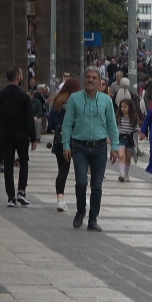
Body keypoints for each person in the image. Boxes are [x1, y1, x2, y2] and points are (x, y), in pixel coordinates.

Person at [61, 66, 119, 232]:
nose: (91, 80)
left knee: (97, 185)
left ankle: (93, 219)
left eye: (94, 78)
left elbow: (112, 125)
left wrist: (114, 146)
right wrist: (66, 145)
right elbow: (67, 123)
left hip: (100, 146)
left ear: (100, 81)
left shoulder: (106, 101)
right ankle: (80, 211)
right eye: (88, 77)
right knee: (81, 182)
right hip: (79, 146)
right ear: (84, 79)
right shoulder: (74, 99)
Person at [0, 67, 37, 207]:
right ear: (18, 78)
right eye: (22, 75)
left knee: (8, 164)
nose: (22, 78)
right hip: (22, 135)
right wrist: (33, 138)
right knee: (23, 162)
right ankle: (21, 192)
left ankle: (10, 197)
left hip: (5, 135)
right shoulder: (24, 96)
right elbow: (29, 119)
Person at [49, 78, 82, 212]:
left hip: (60, 141)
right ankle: (81, 198)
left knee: (62, 171)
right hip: (77, 140)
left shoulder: (56, 104)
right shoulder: (78, 104)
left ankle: (60, 199)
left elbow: (51, 124)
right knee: (81, 171)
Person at [116, 98, 141, 182]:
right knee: (121, 155)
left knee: (127, 158)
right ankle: (121, 173)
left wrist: (140, 133)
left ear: (130, 107)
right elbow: (114, 127)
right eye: (121, 107)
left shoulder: (133, 118)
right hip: (120, 138)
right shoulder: (118, 117)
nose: (123, 108)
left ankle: (126, 173)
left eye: (125, 107)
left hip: (130, 139)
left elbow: (136, 128)